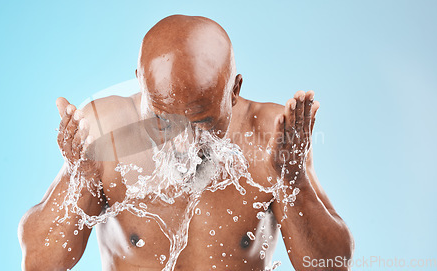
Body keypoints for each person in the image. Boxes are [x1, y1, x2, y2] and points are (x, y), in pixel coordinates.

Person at [18, 14, 354, 271]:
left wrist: (291, 180)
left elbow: (333, 265)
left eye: (204, 124)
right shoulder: (104, 132)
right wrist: (80, 175)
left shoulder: (270, 136)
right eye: (163, 123)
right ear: (141, 86)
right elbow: (39, 262)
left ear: (234, 91)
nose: (185, 144)